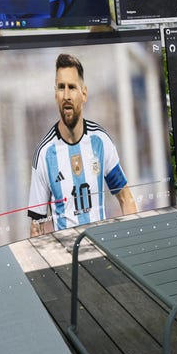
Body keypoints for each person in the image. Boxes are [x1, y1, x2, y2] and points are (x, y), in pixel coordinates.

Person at [28, 53, 136, 236]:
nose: (67, 95)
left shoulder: (100, 141)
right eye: (61, 88)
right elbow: (36, 227)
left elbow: (127, 199)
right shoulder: (44, 154)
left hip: (103, 252)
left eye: (72, 87)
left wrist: (132, 244)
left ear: (84, 94)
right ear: (55, 94)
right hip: (67, 258)